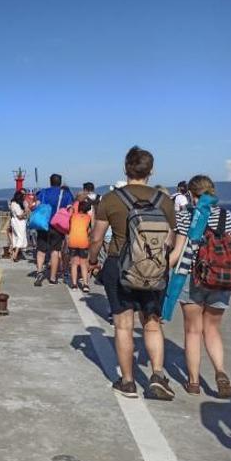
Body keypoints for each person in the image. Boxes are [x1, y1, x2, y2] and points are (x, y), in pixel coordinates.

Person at [88, 146, 176, 400]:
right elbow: (169, 239)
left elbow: (96, 237)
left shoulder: (111, 200)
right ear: (151, 171)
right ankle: (157, 374)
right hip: (154, 268)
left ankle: (127, 382)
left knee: (123, 325)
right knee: (152, 323)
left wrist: (94, 260)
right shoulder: (164, 201)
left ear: (125, 169)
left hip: (119, 265)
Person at [167, 176, 231, 398]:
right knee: (213, 329)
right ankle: (220, 372)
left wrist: (160, 273)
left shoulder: (186, 215)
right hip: (221, 278)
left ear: (191, 194)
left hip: (191, 277)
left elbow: (177, 253)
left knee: (193, 331)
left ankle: (194, 382)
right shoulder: (227, 216)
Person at [34, 174, 73, 286]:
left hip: (43, 224)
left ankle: (39, 272)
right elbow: (70, 209)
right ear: (60, 183)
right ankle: (53, 277)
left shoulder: (43, 192)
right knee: (55, 251)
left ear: (50, 181)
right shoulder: (65, 194)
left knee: (41, 250)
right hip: (57, 226)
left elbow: (37, 205)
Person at [67, 200, 92, 292]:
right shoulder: (88, 218)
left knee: (74, 263)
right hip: (83, 241)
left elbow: (69, 228)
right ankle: (85, 284)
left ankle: (74, 284)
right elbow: (89, 231)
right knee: (83, 264)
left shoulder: (73, 216)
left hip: (72, 241)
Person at [9, 191, 28, 262]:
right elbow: (20, 216)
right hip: (19, 222)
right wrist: (26, 211)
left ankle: (13, 253)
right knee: (20, 237)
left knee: (16, 237)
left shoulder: (12, 204)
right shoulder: (16, 205)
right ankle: (15, 254)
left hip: (14, 221)